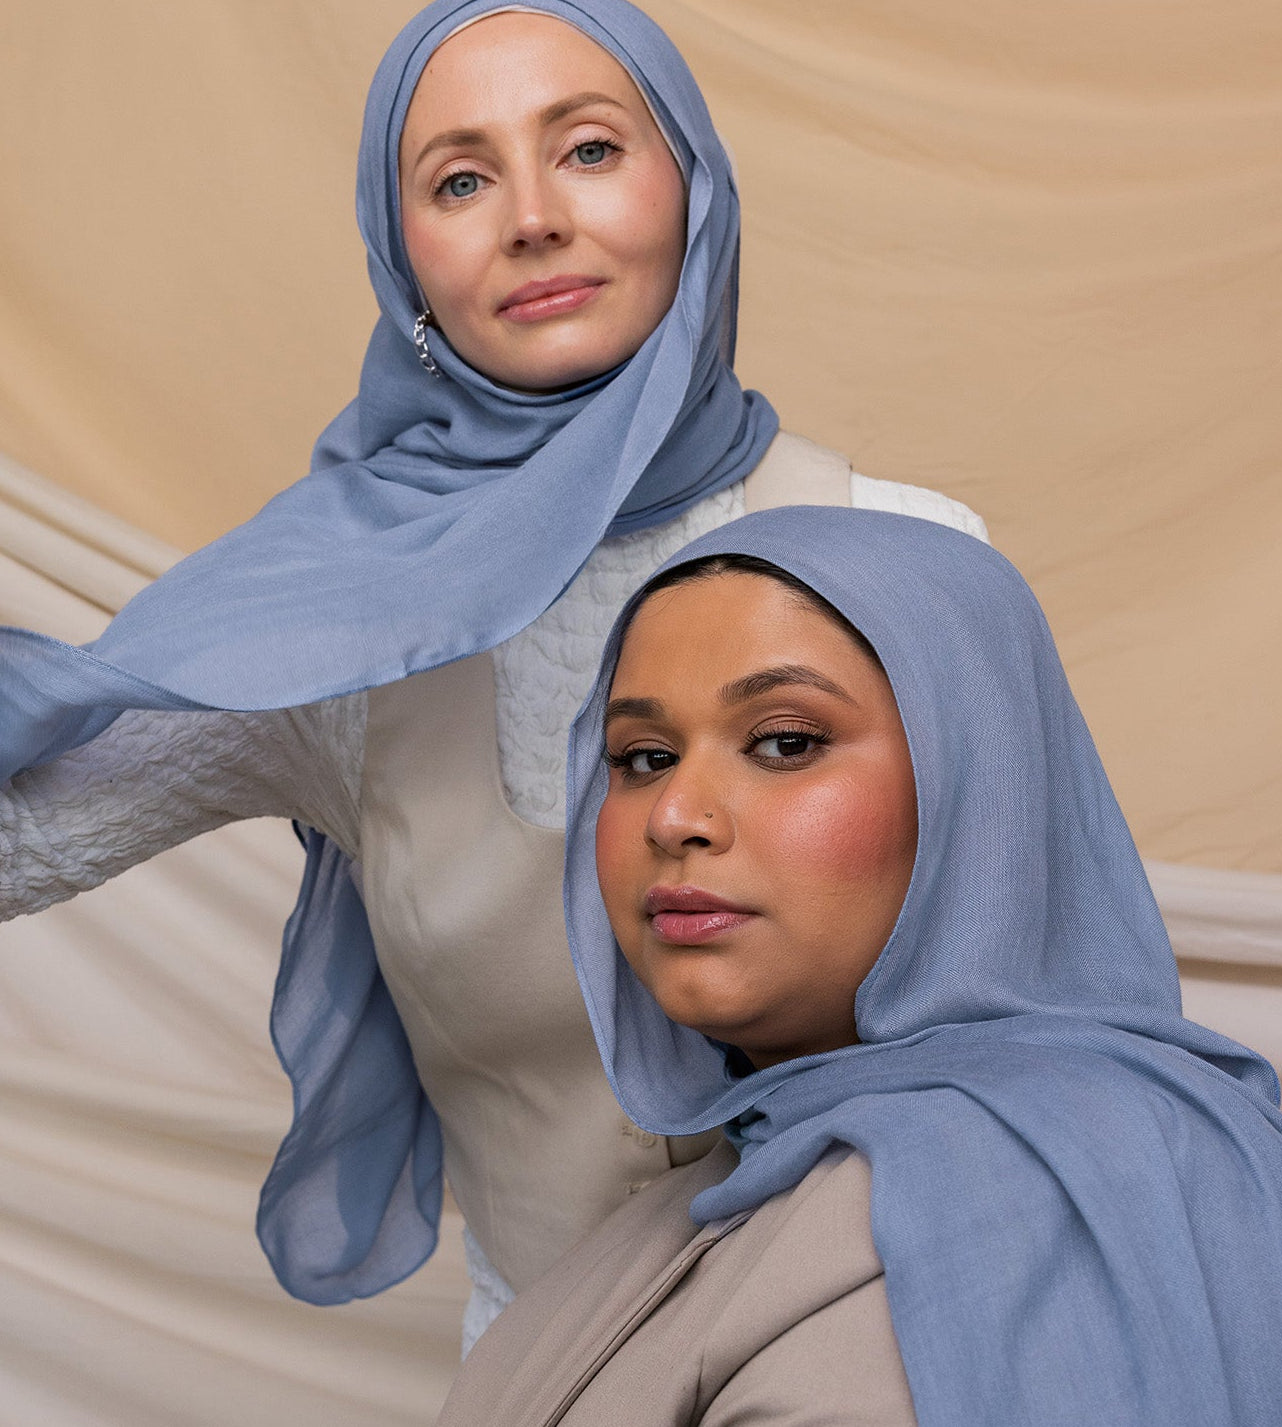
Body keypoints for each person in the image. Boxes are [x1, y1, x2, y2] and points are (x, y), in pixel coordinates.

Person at [0, 0, 985, 1341]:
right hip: (548, 1370)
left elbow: (1050, 993)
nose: (531, 216)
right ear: (401, 257)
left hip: (912, 1337)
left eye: (586, 149)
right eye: (460, 180)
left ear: (691, 186)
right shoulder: (338, 638)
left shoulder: (913, 554)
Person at [438, 505, 1282, 1424]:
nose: (674, 814)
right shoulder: (745, 1169)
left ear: (974, 784)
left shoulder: (1010, 1193)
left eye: (785, 742)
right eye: (642, 757)